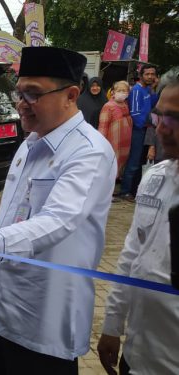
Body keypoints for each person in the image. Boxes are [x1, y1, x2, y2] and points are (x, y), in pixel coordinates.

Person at [0, 47, 117, 375]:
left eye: (33, 94)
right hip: (4, 309)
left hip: (46, 317)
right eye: (18, 93)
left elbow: (58, 220)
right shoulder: (30, 143)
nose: (21, 103)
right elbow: (10, 212)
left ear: (71, 95)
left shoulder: (89, 153)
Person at [97, 67, 179, 375]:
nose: (161, 128)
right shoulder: (155, 179)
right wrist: (112, 325)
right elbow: (132, 256)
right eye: (160, 117)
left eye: (175, 119)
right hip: (138, 355)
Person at [119, 64, 159, 200]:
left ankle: (134, 191)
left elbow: (153, 104)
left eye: (153, 74)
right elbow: (135, 114)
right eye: (147, 74)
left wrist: (153, 89)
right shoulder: (136, 90)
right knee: (134, 161)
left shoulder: (147, 89)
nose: (150, 76)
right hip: (138, 130)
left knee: (141, 160)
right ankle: (125, 191)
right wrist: (148, 123)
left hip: (146, 130)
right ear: (141, 75)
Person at [99, 81, 133, 178]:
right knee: (110, 168)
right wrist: (101, 144)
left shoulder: (125, 105)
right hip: (113, 144)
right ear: (113, 92)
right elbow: (103, 126)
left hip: (124, 144)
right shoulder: (108, 106)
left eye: (124, 90)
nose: (122, 93)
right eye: (119, 90)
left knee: (119, 168)